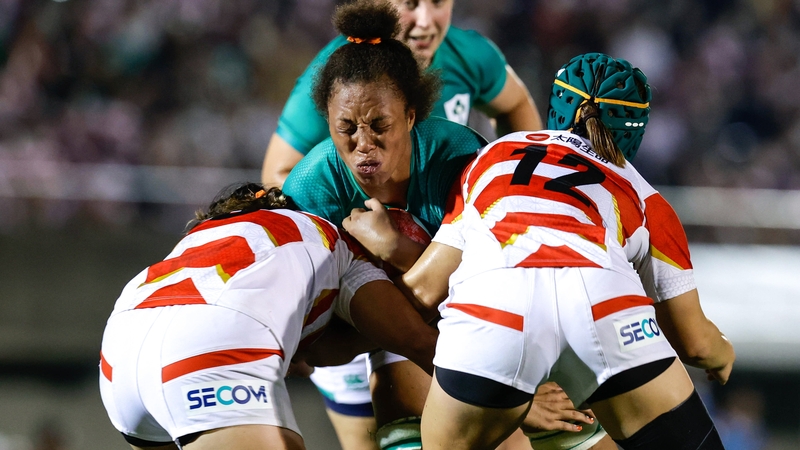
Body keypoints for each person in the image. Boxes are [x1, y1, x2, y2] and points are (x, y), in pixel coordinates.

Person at [345, 53, 736, 449]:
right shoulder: (643, 193)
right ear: (634, 129)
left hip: (492, 310)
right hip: (603, 306)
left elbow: (426, 289)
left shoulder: (491, 157)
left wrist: (383, 250)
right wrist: (721, 354)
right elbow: (696, 343)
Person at [281, 3, 612, 450]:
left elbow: (487, 290)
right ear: (326, 122)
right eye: (346, 130)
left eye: (380, 126)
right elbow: (321, 347)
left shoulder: (460, 158)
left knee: (576, 434)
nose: (363, 147)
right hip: (375, 335)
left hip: (469, 312)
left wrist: (396, 249)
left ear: (413, 114)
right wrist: (514, 399)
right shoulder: (311, 192)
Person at [97, 183, 438, 450]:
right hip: (207, 347)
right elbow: (419, 343)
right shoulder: (338, 243)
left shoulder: (205, 236)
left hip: (118, 356)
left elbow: (311, 355)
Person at [261, 0, 542, 188]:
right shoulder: (337, 75)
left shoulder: (471, 54)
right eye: (409, 3)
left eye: (438, 1)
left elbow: (515, 104)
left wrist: (520, 184)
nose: (425, 20)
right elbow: (277, 175)